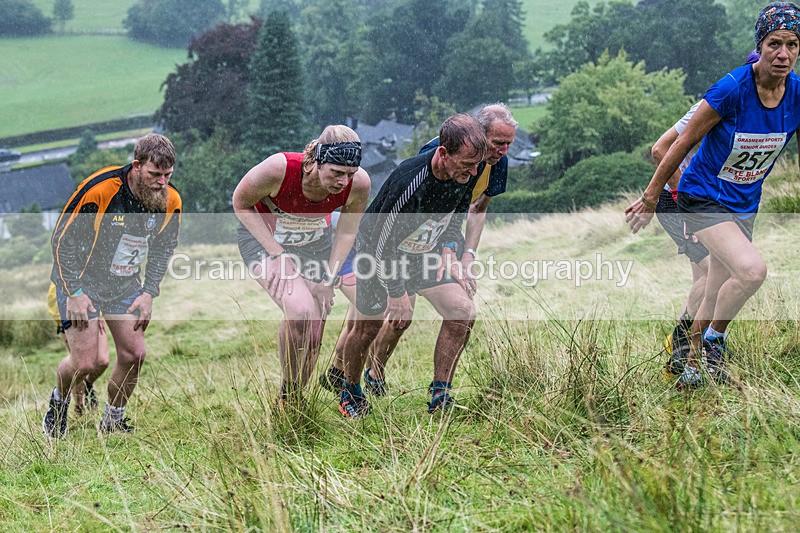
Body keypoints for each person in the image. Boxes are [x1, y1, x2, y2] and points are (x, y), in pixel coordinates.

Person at [626, 2, 800, 386]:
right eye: (774, 43)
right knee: (752, 271)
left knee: (717, 283)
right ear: (761, 43)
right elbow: (677, 143)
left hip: (744, 203)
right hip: (701, 196)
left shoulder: (796, 94)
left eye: (791, 44)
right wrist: (653, 197)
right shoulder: (731, 89)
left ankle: (689, 367)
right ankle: (713, 340)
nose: (783, 53)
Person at [321, 104, 516, 396]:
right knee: (374, 322)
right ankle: (348, 388)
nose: (479, 169)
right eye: (497, 143)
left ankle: (440, 394)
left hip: (423, 251)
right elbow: (381, 242)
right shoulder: (412, 177)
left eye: (506, 145)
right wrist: (398, 291)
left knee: (462, 311)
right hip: (377, 253)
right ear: (445, 153)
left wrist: (453, 255)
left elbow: (456, 218)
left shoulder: (472, 167)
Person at [44, 133, 181, 437]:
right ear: (136, 166)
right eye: (154, 174)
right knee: (85, 363)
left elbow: (163, 249)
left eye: (167, 175)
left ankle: (113, 420)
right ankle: (57, 406)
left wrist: (149, 292)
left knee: (134, 355)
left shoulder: (170, 200)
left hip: (124, 284)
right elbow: (61, 241)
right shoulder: (101, 190)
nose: (161, 182)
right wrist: (75, 293)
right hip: (82, 282)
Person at [232, 125, 370, 408]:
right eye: (336, 173)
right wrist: (277, 253)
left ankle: (295, 399)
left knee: (315, 334)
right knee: (300, 312)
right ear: (317, 161)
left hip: (315, 249)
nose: (343, 182)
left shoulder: (359, 184)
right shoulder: (279, 169)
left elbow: (345, 232)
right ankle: (288, 396)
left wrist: (329, 279)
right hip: (265, 243)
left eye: (349, 174)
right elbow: (240, 202)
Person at [654, 51, 760, 378]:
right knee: (708, 275)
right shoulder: (716, 104)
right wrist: (683, 204)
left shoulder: (758, 112)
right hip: (681, 201)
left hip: (711, 202)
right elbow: (659, 150)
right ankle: (684, 347)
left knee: (715, 276)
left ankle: (687, 354)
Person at [47, 282, 110, 415]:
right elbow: (56, 297)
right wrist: (63, 323)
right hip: (70, 313)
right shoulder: (64, 271)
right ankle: (79, 406)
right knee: (81, 365)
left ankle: (88, 385)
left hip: (94, 309)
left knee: (102, 361)